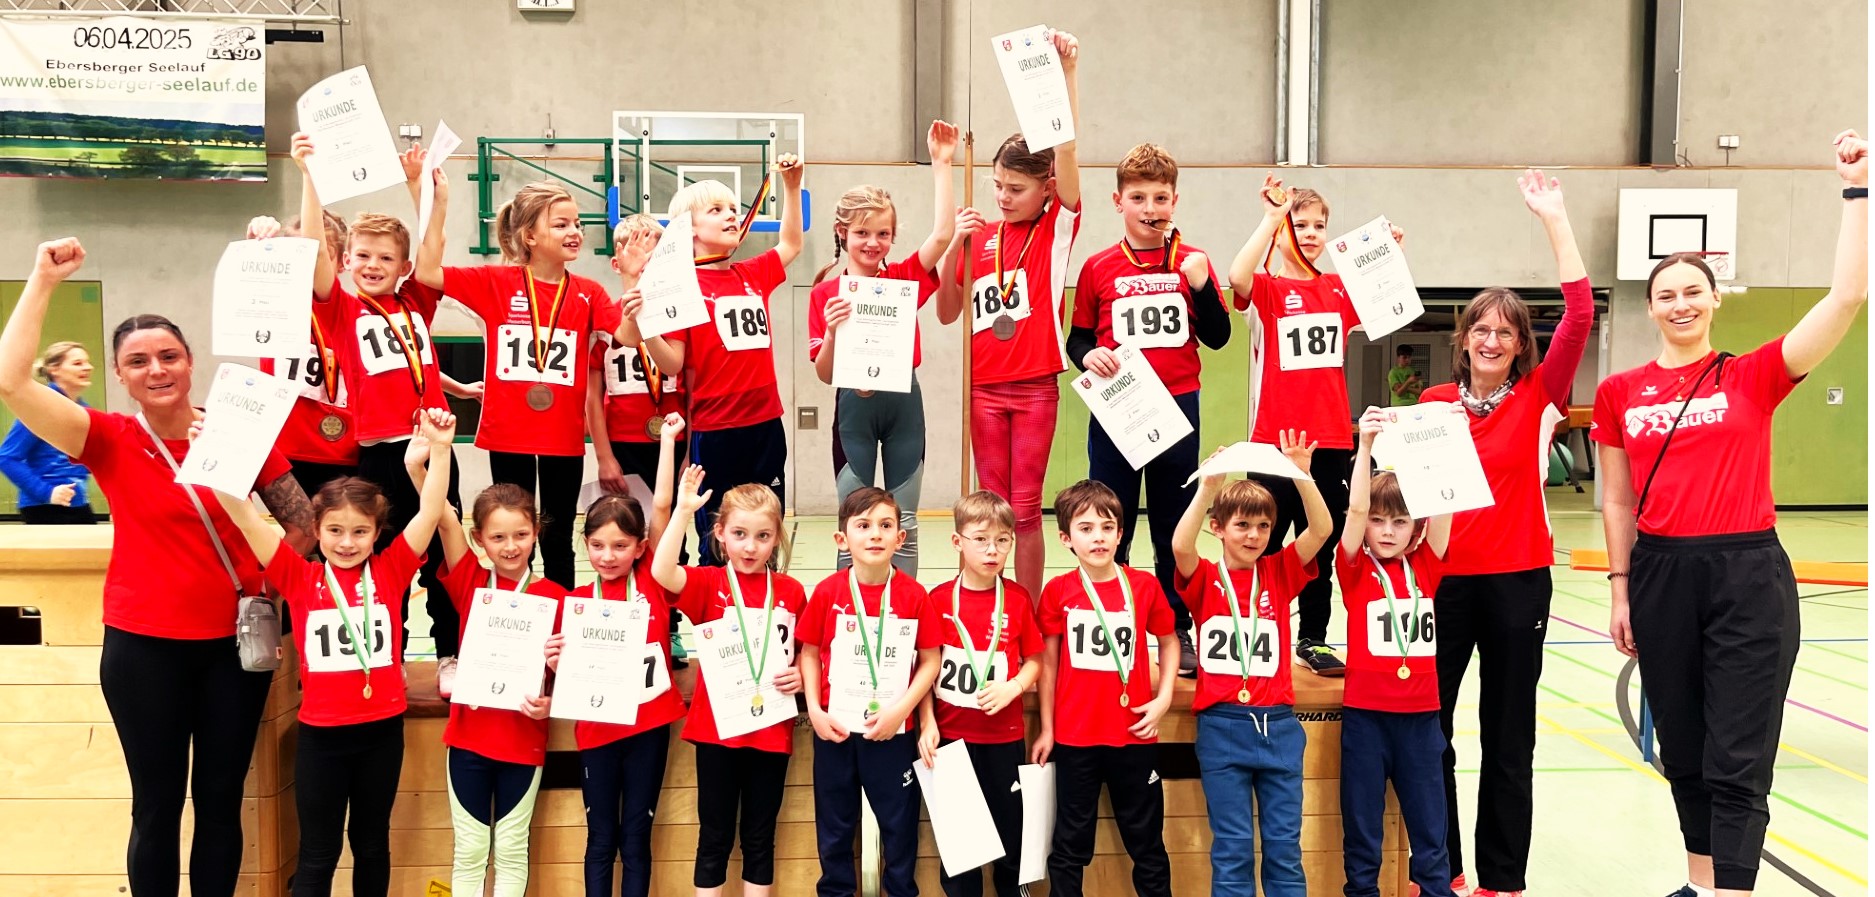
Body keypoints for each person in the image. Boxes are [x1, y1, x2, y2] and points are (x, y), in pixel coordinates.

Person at [1594, 131, 1867, 897]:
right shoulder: (1618, 392)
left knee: (1736, 757)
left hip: (1746, 574)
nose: (1679, 303)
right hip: (1659, 573)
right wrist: (1619, 588)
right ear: (1649, 305)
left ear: (1715, 298)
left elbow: (1845, 298)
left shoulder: (1752, 375)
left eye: (1693, 291)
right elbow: (1616, 497)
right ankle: (1699, 881)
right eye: (1666, 294)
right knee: (1682, 751)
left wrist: (1856, 191)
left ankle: (1731, 893)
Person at [0, 237, 315, 897]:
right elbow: (11, 382)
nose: (157, 369)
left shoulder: (238, 430)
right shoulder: (108, 438)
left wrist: (263, 583)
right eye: (138, 361)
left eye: (169, 355)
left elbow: (303, 526)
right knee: (157, 804)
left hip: (233, 649)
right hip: (143, 650)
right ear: (120, 375)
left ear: (191, 361)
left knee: (221, 800)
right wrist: (43, 279)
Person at [1417, 169, 1594, 897]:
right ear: (1462, 341)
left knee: (1508, 736)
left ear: (1521, 345)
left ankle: (1501, 878)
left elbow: (1579, 313)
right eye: (1481, 329)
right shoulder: (1431, 403)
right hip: (1441, 585)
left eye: (1505, 331)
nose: (1491, 340)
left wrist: (1553, 217)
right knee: (1428, 732)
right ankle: (1442, 867)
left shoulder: (1539, 397)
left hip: (1518, 582)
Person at [213, 409, 456, 897]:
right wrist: (219, 449)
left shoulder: (390, 570)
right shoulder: (298, 575)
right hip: (322, 739)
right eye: (335, 531)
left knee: (372, 845)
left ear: (377, 533)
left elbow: (431, 511)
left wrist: (442, 447)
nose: (347, 543)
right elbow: (241, 513)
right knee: (319, 854)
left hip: (381, 734)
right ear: (317, 531)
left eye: (360, 531)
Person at [294, 133, 472, 694]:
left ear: (402, 267)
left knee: (444, 550)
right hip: (378, 455)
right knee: (385, 559)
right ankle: (388, 654)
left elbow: (433, 245)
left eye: (386, 258)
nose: (373, 265)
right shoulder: (342, 310)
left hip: (434, 449)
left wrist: (425, 192)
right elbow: (312, 252)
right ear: (346, 260)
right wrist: (309, 174)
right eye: (363, 256)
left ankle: (450, 653)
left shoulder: (416, 301)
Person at [1227, 177, 1406, 676]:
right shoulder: (1269, 290)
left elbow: (1385, 298)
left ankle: (1313, 638)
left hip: (1328, 442)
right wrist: (1270, 217)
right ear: (1281, 232)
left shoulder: (1337, 290)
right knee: (1262, 541)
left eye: (1319, 226)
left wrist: (1389, 253)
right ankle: (1253, 628)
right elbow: (1237, 276)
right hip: (1274, 444)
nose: (1310, 234)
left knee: (1320, 546)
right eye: (1299, 225)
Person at [1069, 141, 1231, 675]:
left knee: (1172, 523)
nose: (1149, 208)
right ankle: (1109, 616)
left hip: (1178, 409)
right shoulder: (1098, 267)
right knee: (1109, 517)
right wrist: (1087, 355)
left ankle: (1175, 627)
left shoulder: (1192, 261)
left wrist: (1202, 287)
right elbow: (1078, 338)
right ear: (1118, 201)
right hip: (1118, 409)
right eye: (1138, 197)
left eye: (1160, 197)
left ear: (1174, 201)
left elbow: (1219, 337)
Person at [414, 178, 622, 589]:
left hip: (562, 437)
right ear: (529, 236)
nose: (575, 232)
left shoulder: (590, 292)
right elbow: (427, 272)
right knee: (512, 537)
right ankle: (515, 615)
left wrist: (634, 281)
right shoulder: (494, 282)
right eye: (561, 224)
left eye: (577, 223)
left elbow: (628, 336)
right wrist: (438, 205)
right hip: (508, 434)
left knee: (558, 539)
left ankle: (560, 615)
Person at [934, 28, 1082, 599]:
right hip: (984, 388)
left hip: (1036, 386)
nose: (1002, 196)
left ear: (1047, 190)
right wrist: (955, 247)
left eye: (1015, 189)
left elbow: (1066, 151)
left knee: (1024, 508)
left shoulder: (1055, 230)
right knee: (990, 509)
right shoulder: (980, 235)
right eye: (997, 185)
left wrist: (1066, 75)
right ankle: (985, 604)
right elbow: (947, 312)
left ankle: (1028, 609)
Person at [1172, 432, 1328, 897]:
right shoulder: (1205, 578)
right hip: (1222, 727)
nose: (1254, 535)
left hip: (1278, 726)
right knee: (1233, 849)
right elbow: (1180, 547)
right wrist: (1208, 487)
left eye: (1263, 526)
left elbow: (1321, 531)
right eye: (1242, 525)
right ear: (1218, 528)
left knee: (1284, 848)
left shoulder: (1279, 572)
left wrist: (1302, 475)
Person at [632, 156, 806, 567]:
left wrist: (792, 187)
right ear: (689, 229)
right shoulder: (681, 287)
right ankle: (715, 603)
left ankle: (764, 601)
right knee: (716, 535)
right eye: (716, 210)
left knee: (765, 526)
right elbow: (673, 364)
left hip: (765, 424)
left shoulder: (753, 273)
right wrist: (646, 326)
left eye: (732, 208)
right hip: (716, 430)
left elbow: (791, 244)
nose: (731, 215)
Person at [806, 121, 963, 575]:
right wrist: (832, 333)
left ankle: (905, 609)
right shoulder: (825, 294)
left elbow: (942, 235)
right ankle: (846, 607)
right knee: (854, 521)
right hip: (853, 409)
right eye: (862, 233)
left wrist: (942, 164)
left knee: (904, 523)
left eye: (883, 234)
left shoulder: (903, 280)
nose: (873, 243)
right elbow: (824, 373)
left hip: (904, 405)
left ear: (893, 236)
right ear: (842, 232)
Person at [651, 468, 807, 897]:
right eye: (739, 534)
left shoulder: (791, 591)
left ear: (776, 539)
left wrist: (800, 673)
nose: (750, 546)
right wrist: (683, 511)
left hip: (770, 731)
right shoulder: (709, 583)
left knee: (760, 838)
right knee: (714, 837)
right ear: (720, 534)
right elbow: (662, 572)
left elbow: (805, 654)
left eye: (762, 536)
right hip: (717, 732)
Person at [551, 426, 684, 897]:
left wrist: (667, 443)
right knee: (601, 837)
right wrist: (556, 663)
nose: (608, 556)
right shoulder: (575, 602)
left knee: (636, 839)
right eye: (598, 546)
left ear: (641, 548)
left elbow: (662, 506)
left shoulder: (652, 582)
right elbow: (564, 674)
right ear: (585, 544)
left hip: (647, 728)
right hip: (597, 732)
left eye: (621, 546)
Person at [1032, 479, 1179, 897]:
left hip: (1134, 734)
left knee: (1147, 843)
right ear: (1066, 538)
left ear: (1120, 534)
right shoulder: (1058, 592)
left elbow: (1169, 642)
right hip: (1075, 737)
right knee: (1070, 842)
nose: (1098, 537)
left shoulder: (1144, 586)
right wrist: (1047, 728)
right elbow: (1047, 664)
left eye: (1107, 527)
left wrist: (1164, 698)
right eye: (1085, 528)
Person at [799, 486, 943, 897]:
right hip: (836, 731)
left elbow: (930, 660)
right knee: (835, 827)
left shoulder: (914, 595)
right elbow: (809, 653)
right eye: (863, 526)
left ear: (901, 538)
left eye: (885, 526)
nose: (875, 534)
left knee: (899, 828)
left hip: (892, 733)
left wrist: (902, 712)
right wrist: (815, 710)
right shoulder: (827, 592)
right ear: (841, 539)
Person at [1338, 407, 1456, 897]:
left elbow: (1446, 500)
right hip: (1366, 719)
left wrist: (1448, 439)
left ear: (1416, 527)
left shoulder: (1428, 564)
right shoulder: (1353, 569)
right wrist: (1365, 447)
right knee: (1362, 827)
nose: (1387, 530)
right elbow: (1355, 512)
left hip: (1422, 720)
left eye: (1400, 522)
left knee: (1430, 828)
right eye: (1379, 521)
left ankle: (1436, 891)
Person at [428, 481, 567, 897]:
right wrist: (425, 461)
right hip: (468, 740)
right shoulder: (470, 583)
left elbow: (567, 680)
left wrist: (551, 701)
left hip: (523, 741)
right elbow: (443, 518)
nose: (510, 547)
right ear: (478, 539)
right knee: (470, 849)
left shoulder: (557, 598)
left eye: (521, 534)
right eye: (498, 537)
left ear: (536, 532)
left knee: (510, 848)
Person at [927, 490, 1043, 897]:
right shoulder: (938, 600)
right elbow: (926, 668)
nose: (992, 550)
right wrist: (928, 723)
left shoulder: (1018, 599)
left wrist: (1014, 686)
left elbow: (1035, 660)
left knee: (1010, 837)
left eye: (1002, 540)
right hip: (951, 741)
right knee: (961, 852)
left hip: (1003, 740)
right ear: (957, 541)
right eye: (981, 539)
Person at [0, 340, 95, 523]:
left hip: (77, 502)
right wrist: (47, 492)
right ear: (54, 369)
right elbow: (6, 457)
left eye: (87, 362)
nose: (88, 367)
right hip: (45, 506)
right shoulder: (41, 407)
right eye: (77, 363)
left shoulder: (84, 410)